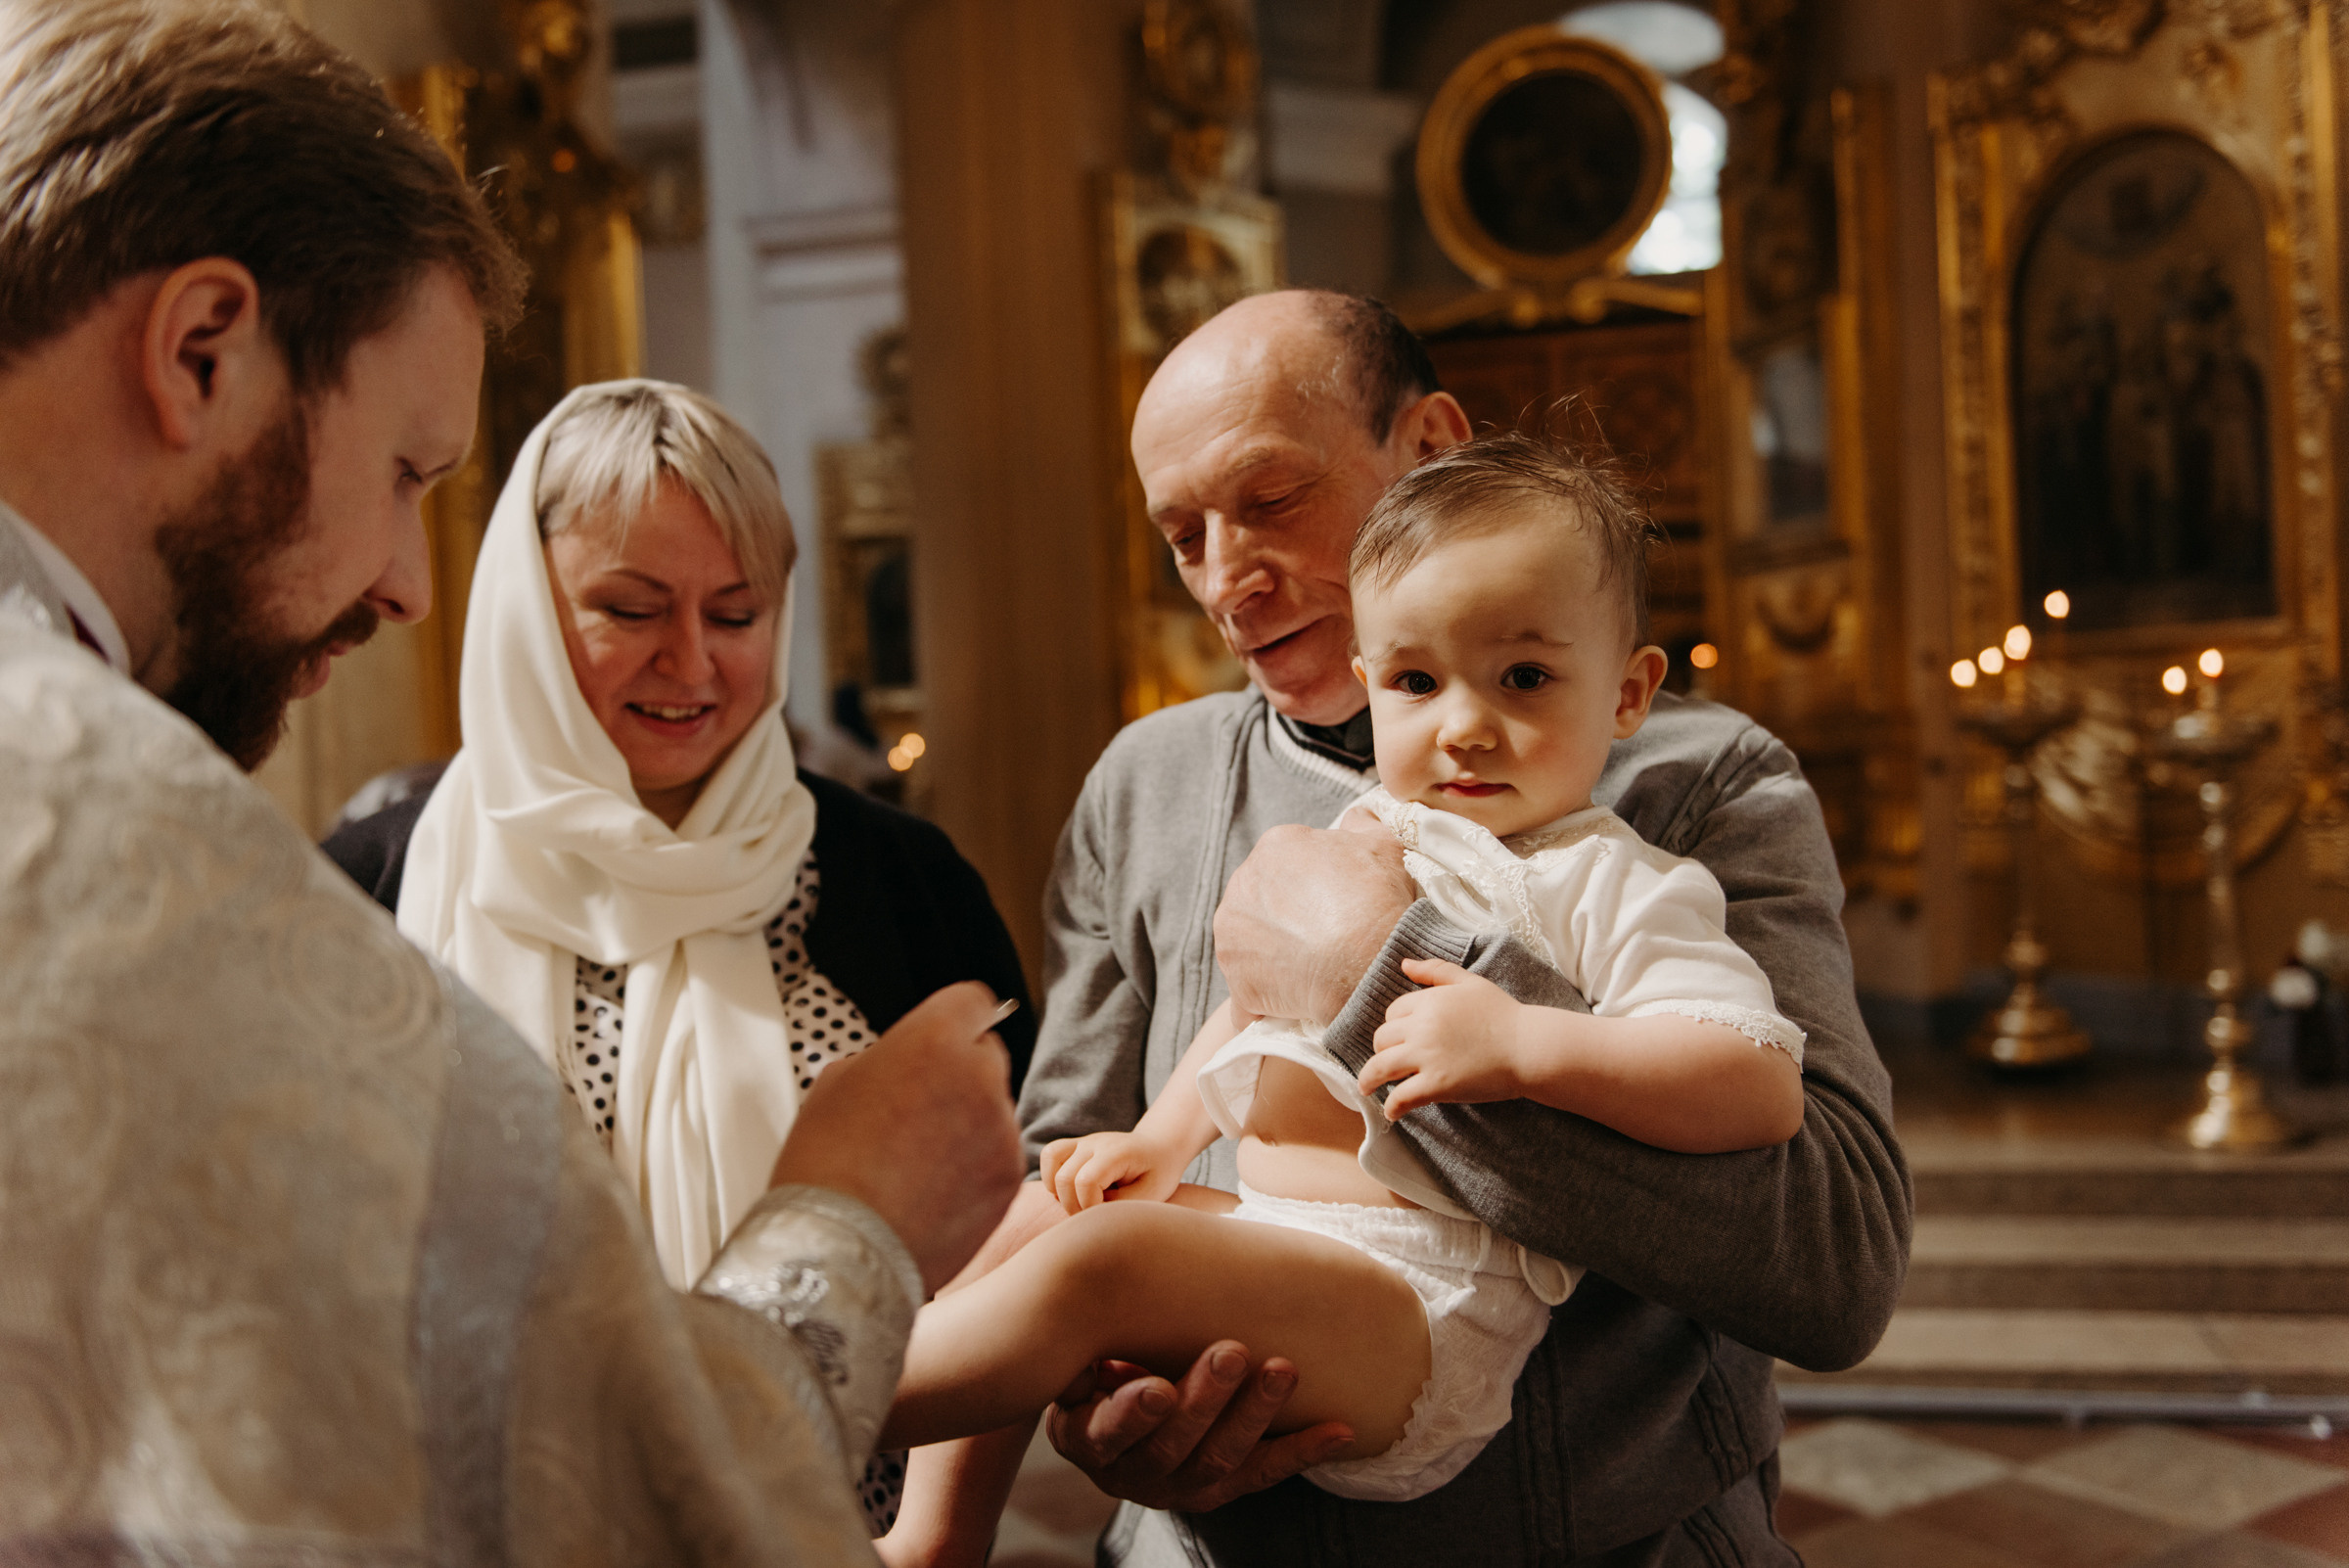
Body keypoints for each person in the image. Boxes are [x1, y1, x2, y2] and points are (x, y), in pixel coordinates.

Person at [0, 3, 1021, 1560]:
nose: (412, 582)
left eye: (737, 612)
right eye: (408, 472)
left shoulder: (890, 873)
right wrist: (853, 1218)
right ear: (201, 349)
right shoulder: (93, 821)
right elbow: (558, 1498)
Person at [1018, 290, 1911, 1564]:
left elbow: (1836, 1264)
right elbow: (1068, 1162)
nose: (1226, 578)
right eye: (1182, 535)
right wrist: (1097, 1399)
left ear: (1431, 446)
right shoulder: (1146, 781)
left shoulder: (1698, 781)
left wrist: (1364, 967)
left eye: (1271, 499)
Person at [878, 433, 1810, 1563]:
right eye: (1418, 682)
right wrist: (1163, 1141)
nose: (1463, 724)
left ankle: (783, 1395)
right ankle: (910, 1505)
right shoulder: (1374, 834)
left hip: (1416, 1305)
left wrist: (1528, 1044)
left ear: (1628, 692)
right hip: (1281, 1240)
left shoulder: (1613, 878)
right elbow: (1258, 1007)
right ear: (1371, 686)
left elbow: (1756, 1085)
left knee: (1098, 1268)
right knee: (1060, 1215)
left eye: (1523, 678)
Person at [324, 377, 1037, 1534]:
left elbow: (1016, 1230)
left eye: (737, 614)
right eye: (631, 608)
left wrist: (940, 1539)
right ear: (524, 609)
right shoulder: (364, 888)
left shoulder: (898, 883)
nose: (693, 664)